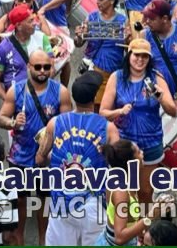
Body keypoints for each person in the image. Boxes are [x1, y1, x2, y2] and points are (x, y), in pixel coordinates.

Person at [0, 50, 71, 246]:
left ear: (52, 68)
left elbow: (66, 127)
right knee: (20, 200)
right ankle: (18, 237)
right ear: (29, 67)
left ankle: (43, 240)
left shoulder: (61, 92)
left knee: (43, 201)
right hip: (20, 155)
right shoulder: (16, 90)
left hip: (47, 159)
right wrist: (12, 122)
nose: (42, 71)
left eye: (47, 67)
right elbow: (1, 118)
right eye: (37, 67)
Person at [37, 72, 120, 246]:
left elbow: (39, 159)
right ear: (95, 96)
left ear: (74, 97)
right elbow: (120, 168)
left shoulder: (55, 123)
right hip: (94, 203)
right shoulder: (108, 128)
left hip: (61, 202)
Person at [99, 39, 177, 204]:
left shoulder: (156, 77)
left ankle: (144, 227)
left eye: (145, 56)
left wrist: (160, 96)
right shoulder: (117, 77)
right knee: (126, 191)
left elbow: (173, 111)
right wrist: (119, 111)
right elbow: (103, 113)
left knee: (146, 191)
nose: (140, 60)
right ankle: (126, 226)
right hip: (125, 145)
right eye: (136, 55)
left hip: (151, 142)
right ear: (129, 55)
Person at [95, 139, 174, 246]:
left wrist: (138, 232)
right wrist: (150, 216)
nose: (142, 153)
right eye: (138, 152)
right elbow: (119, 238)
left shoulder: (129, 180)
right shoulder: (121, 192)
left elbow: (129, 217)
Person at [0, 5, 54, 100]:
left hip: (41, 97)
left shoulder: (42, 38)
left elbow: (51, 68)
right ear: (19, 26)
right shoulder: (3, 48)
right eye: (30, 21)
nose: (35, 23)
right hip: (17, 100)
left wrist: (40, 91)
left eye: (34, 19)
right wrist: (8, 100)